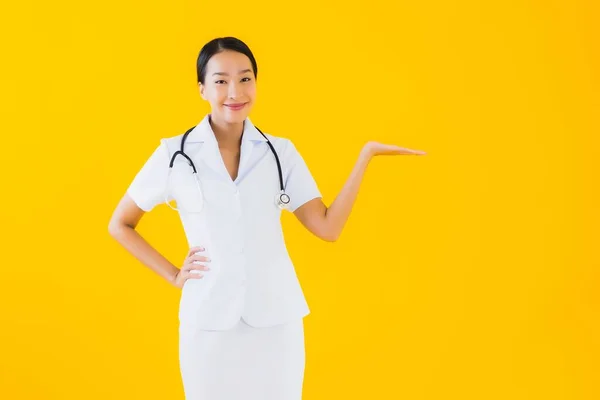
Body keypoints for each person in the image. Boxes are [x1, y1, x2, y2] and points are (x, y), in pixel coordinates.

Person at [108, 36, 426, 400]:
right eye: (221, 80)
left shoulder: (280, 152)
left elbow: (327, 227)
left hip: (276, 321)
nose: (234, 91)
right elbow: (120, 224)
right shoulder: (174, 154)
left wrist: (365, 157)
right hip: (208, 321)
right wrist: (173, 274)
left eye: (245, 79)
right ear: (201, 88)